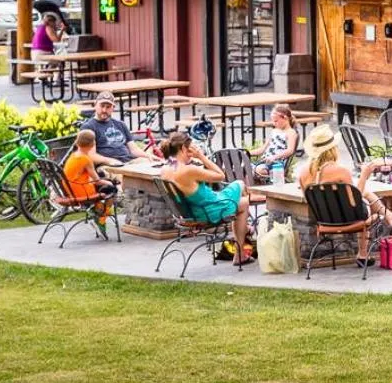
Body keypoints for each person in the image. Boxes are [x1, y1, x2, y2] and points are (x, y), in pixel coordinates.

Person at [295, 126, 392, 265]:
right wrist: (364, 175)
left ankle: (391, 218)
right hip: (351, 218)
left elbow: (308, 200)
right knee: (366, 199)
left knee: (364, 194)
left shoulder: (303, 173)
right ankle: (365, 249)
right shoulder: (341, 171)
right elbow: (355, 200)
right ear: (332, 149)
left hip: (323, 220)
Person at [160, 131, 251, 264]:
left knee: (241, 192)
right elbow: (221, 175)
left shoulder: (166, 168)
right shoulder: (188, 170)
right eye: (190, 148)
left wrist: (191, 159)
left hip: (195, 209)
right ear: (184, 148)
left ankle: (244, 236)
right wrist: (201, 156)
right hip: (209, 211)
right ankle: (242, 246)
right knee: (242, 195)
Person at [62, 129, 120, 223]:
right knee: (112, 188)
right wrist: (110, 183)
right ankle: (103, 217)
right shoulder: (86, 159)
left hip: (70, 189)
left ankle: (98, 209)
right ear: (92, 144)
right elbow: (97, 181)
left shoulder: (74, 155)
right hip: (81, 191)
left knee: (104, 179)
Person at [82, 94, 156, 163]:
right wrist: (110, 161)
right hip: (107, 165)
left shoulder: (120, 124)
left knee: (153, 165)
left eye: (108, 107)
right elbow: (91, 156)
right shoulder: (89, 127)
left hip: (128, 161)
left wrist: (148, 156)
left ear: (113, 108)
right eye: (102, 106)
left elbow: (134, 149)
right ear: (95, 105)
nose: (104, 110)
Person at [251, 104, 299, 183]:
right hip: (264, 161)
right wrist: (247, 152)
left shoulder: (291, 132)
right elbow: (262, 149)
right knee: (242, 167)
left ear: (285, 118)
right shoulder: (274, 131)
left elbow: (290, 150)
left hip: (277, 163)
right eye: (273, 121)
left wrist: (274, 157)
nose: (274, 123)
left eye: (276, 121)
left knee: (259, 170)